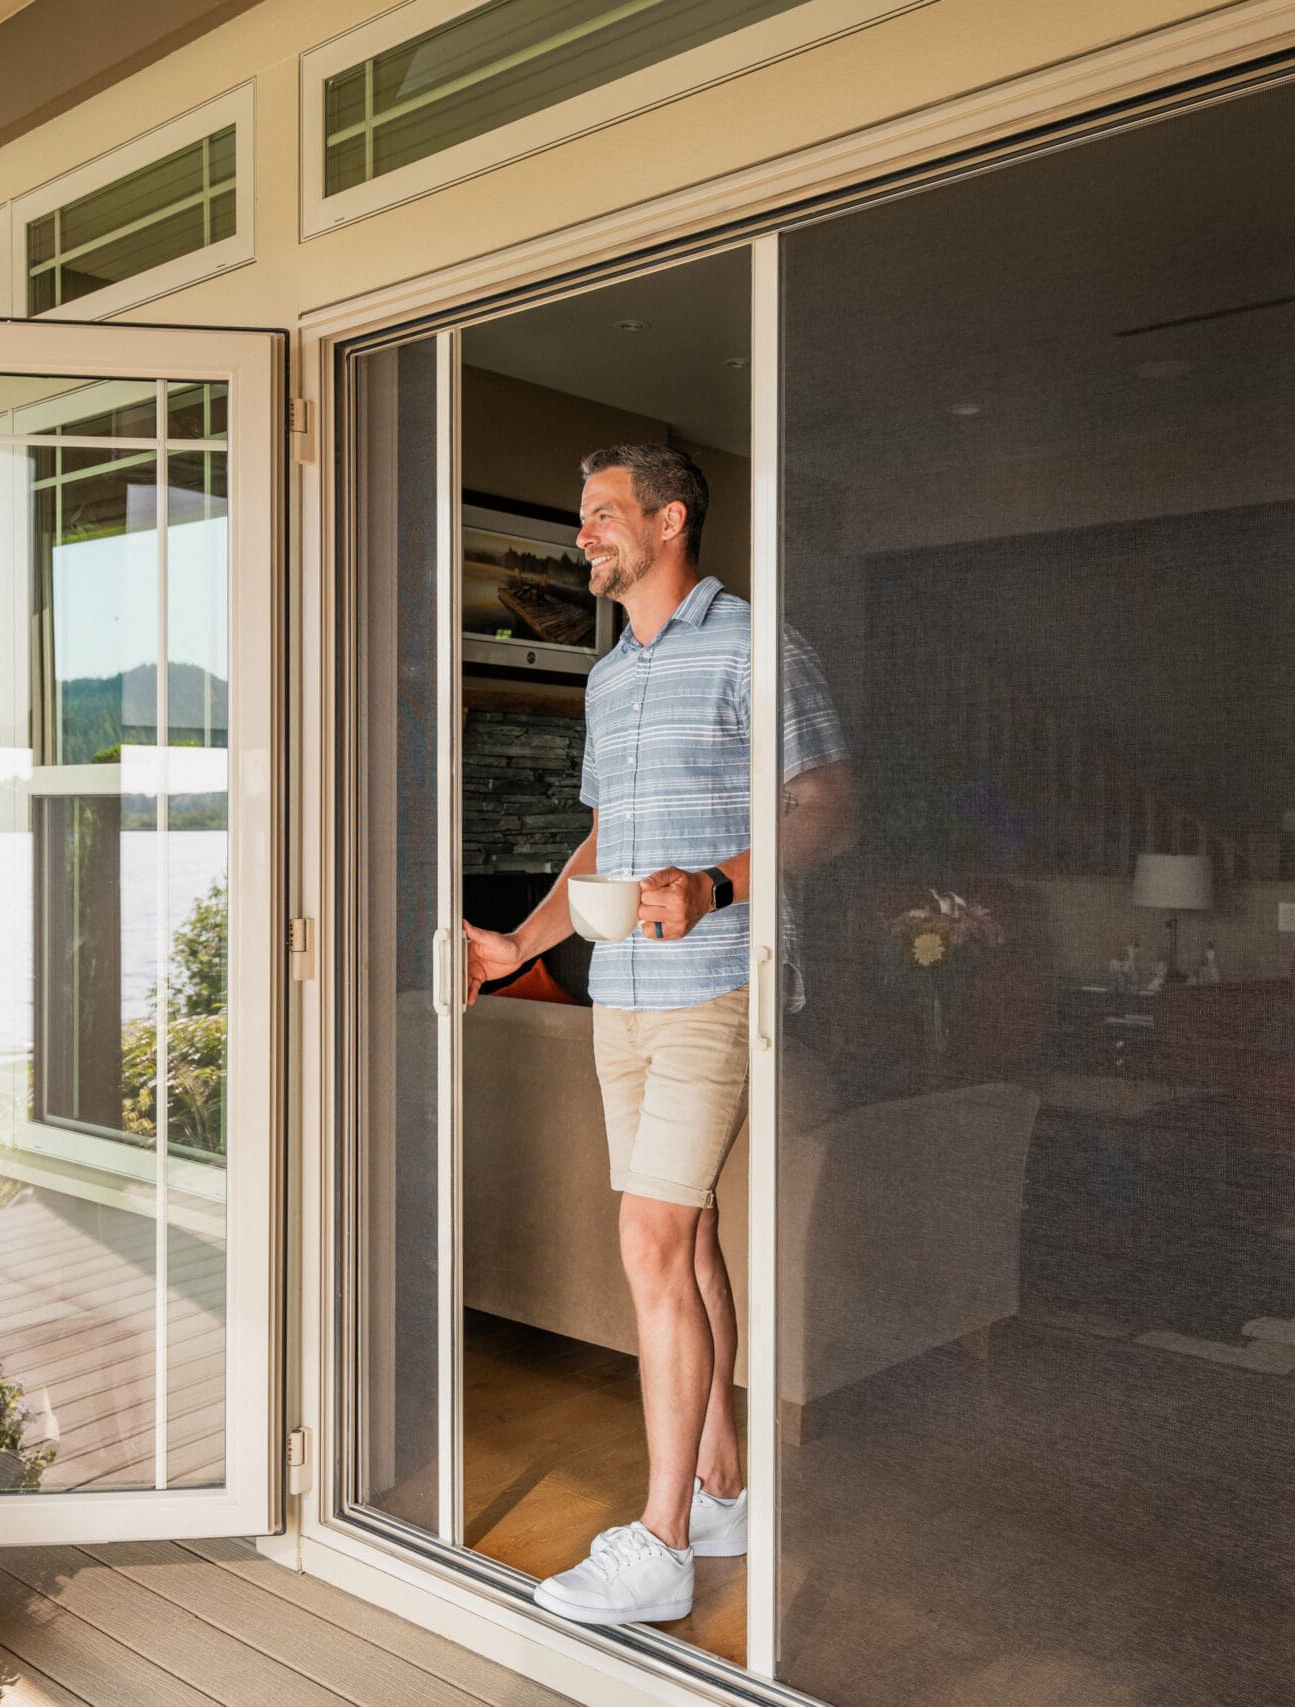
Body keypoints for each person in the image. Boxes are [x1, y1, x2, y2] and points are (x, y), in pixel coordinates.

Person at [462, 443, 853, 1627]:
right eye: (581, 516)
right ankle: (721, 1490)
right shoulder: (610, 675)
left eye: (600, 514)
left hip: (715, 985)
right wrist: (521, 946)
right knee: (685, 1241)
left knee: (647, 1241)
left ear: (669, 520)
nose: (581, 534)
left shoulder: (755, 644)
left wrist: (717, 885)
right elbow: (603, 841)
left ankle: (662, 1543)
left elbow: (827, 809)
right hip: (620, 993)